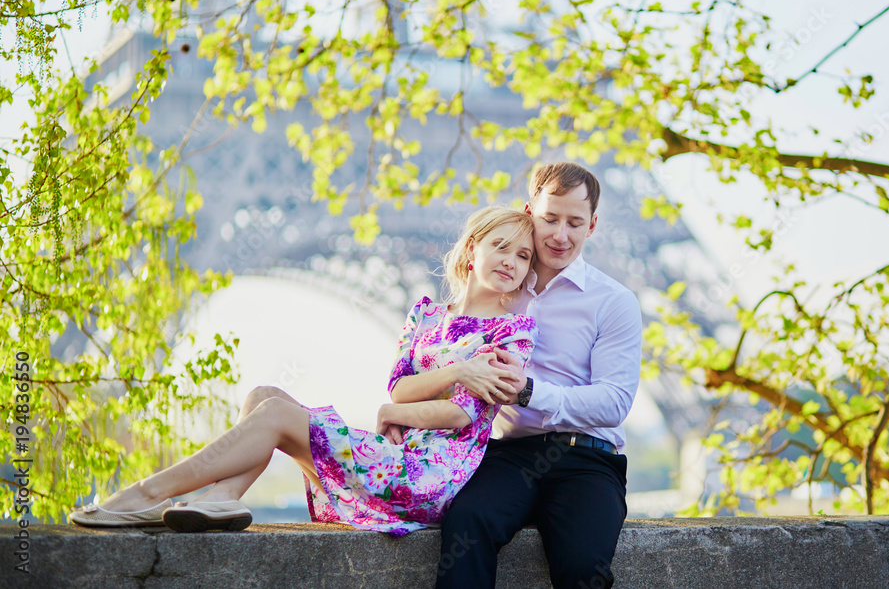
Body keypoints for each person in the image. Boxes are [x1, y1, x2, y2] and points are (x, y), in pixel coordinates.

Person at [69, 206, 538, 536]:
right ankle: (219, 498)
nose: (511, 262)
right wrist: (454, 374)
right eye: (502, 247)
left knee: (273, 415)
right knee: (263, 395)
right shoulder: (427, 314)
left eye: (523, 257)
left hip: (431, 475)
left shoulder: (512, 332)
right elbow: (399, 386)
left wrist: (401, 407)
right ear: (473, 248)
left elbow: (461, 417)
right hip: (395, 453)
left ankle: (144, 496)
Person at [436, 162, 643, 588]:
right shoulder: (499, 288)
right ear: (530, 211)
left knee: (584, 566)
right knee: (468, 521)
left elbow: (614, 402)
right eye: (549, 219)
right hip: (510, 456)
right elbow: (438, 363)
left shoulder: (614, 301)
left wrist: (529, 391)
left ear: (593, 225)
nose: (560, 235)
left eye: (574, 222)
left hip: (588, 461)